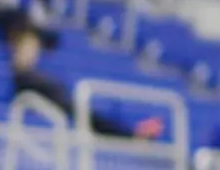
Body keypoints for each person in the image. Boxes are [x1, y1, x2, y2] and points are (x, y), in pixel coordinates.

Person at [10, 30, 160, 140]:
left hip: (66, 107)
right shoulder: (22, 76)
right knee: (91, 117)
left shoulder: (37, 74)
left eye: (34, 49)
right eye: (27, 49)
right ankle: (132, 136)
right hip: (60, 111)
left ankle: (131, 135)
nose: (32, 54)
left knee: (96, 116)